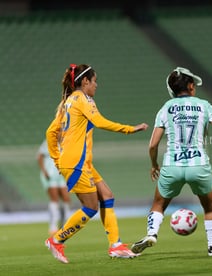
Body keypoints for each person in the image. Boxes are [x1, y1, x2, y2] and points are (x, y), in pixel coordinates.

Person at [44, 64, 148, 264]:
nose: (96, 85)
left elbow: (50, 132)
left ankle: (116, 245)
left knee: (107, 196)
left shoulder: (67, 102)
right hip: (77, 162)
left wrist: (57, 159)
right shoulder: (83, 98)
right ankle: (56, 239)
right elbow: (99, 122)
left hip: (79, 162)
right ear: (85, 82)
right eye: (94, 81)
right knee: (90, 207)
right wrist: (130, 129)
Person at [131, 67, 212, 257]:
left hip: (173, 165)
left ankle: (152, 234)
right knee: (210, 206)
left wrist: (154, 164)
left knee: (159, 204)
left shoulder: (165, 108)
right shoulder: (204, 105)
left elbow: (153, 145)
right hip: (199, 165)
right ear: (189, 86)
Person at [37, 139, 71, 235]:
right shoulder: (49, 141)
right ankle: (53, 226)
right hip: (50, 174)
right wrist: (44, 171)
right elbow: (39, 156)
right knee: (54, 199)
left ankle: (64, 224)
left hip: (61, 175)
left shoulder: (66, 142)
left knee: (66, 198)